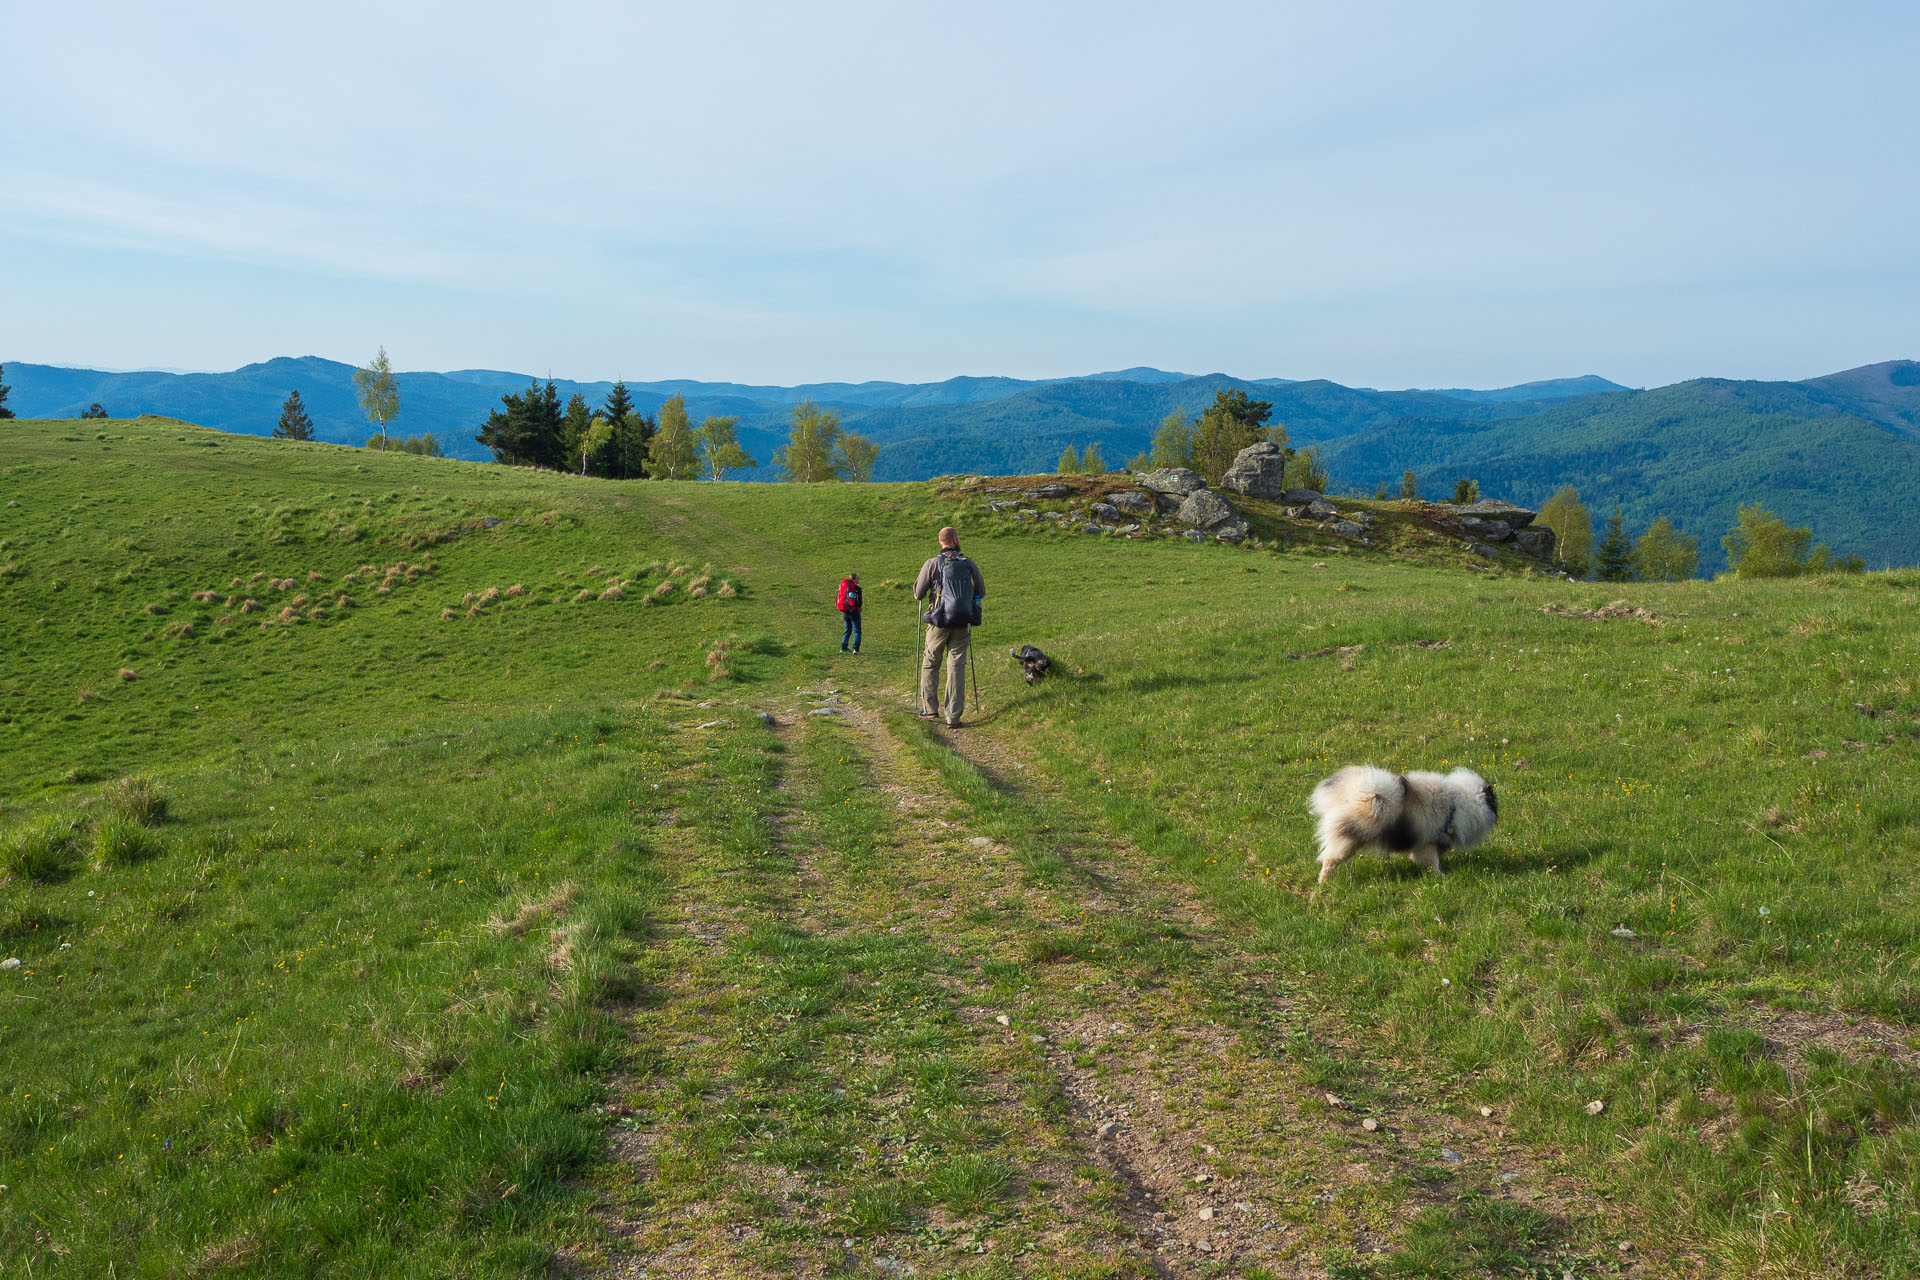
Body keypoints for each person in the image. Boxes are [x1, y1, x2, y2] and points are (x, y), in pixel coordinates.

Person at [913, 527, 985, 727]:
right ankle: (953, 717)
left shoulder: (932, 563)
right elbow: (981, 590)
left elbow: (918, 594)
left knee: (931, 663)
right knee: (956, 667)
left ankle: (930, 709)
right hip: (962, 621)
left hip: (938, 622)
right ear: (954, 540)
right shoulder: (968, 563)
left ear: (941, 542)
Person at [836, 572, 863, 653]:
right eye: (858, 578)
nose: (859, 580)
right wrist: (858, 607)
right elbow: (859, 601)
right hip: (854, 611)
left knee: (847, 629)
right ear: (854, 580)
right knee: (857, 630)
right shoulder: (857, 589)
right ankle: (856, 649)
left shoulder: (844, 587)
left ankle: (844, 648)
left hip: (845, 611)